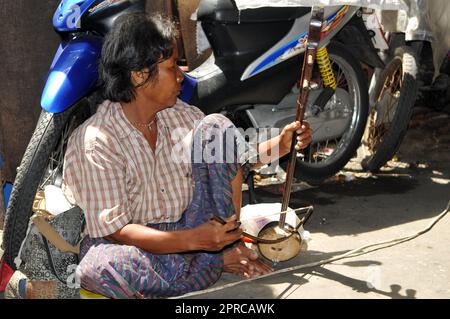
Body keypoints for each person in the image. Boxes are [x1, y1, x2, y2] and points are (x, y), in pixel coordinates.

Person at [62, 12, 313, 299]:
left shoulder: (180, 115)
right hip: (147, 247)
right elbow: (116, 231)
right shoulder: (96, 141)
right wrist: (193, 241)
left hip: (196, 239)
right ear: (140, 75)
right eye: (172, 67)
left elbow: (233, 157)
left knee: (216, 127)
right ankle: (210, 264)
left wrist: (281, 144)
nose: (182, 75)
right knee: (98, 267)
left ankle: (218, 254)